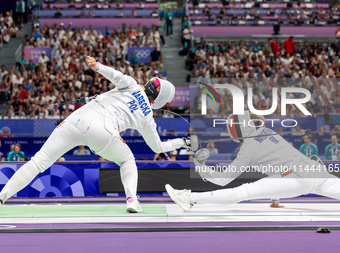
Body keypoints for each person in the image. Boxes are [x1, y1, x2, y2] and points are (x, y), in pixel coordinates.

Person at [0, 56, 189, 213]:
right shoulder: (147, 117)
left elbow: (116, 76)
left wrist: (97, 66)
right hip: (103, 134)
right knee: (127, 160)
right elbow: (158, 147)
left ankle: (2, 196)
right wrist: (183, 141)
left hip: (77, 120)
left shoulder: (131, 84)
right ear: (161, 100)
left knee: (37, 162)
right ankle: (132, 200)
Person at [165, 111, 340, 211]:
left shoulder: (248, 147)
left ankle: (188, 197)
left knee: (245, 191)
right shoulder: (268, 132)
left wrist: (201, 166)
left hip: (299, 178)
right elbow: (278, 167)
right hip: (316, 171)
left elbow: (223, 179)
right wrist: (275, 200)